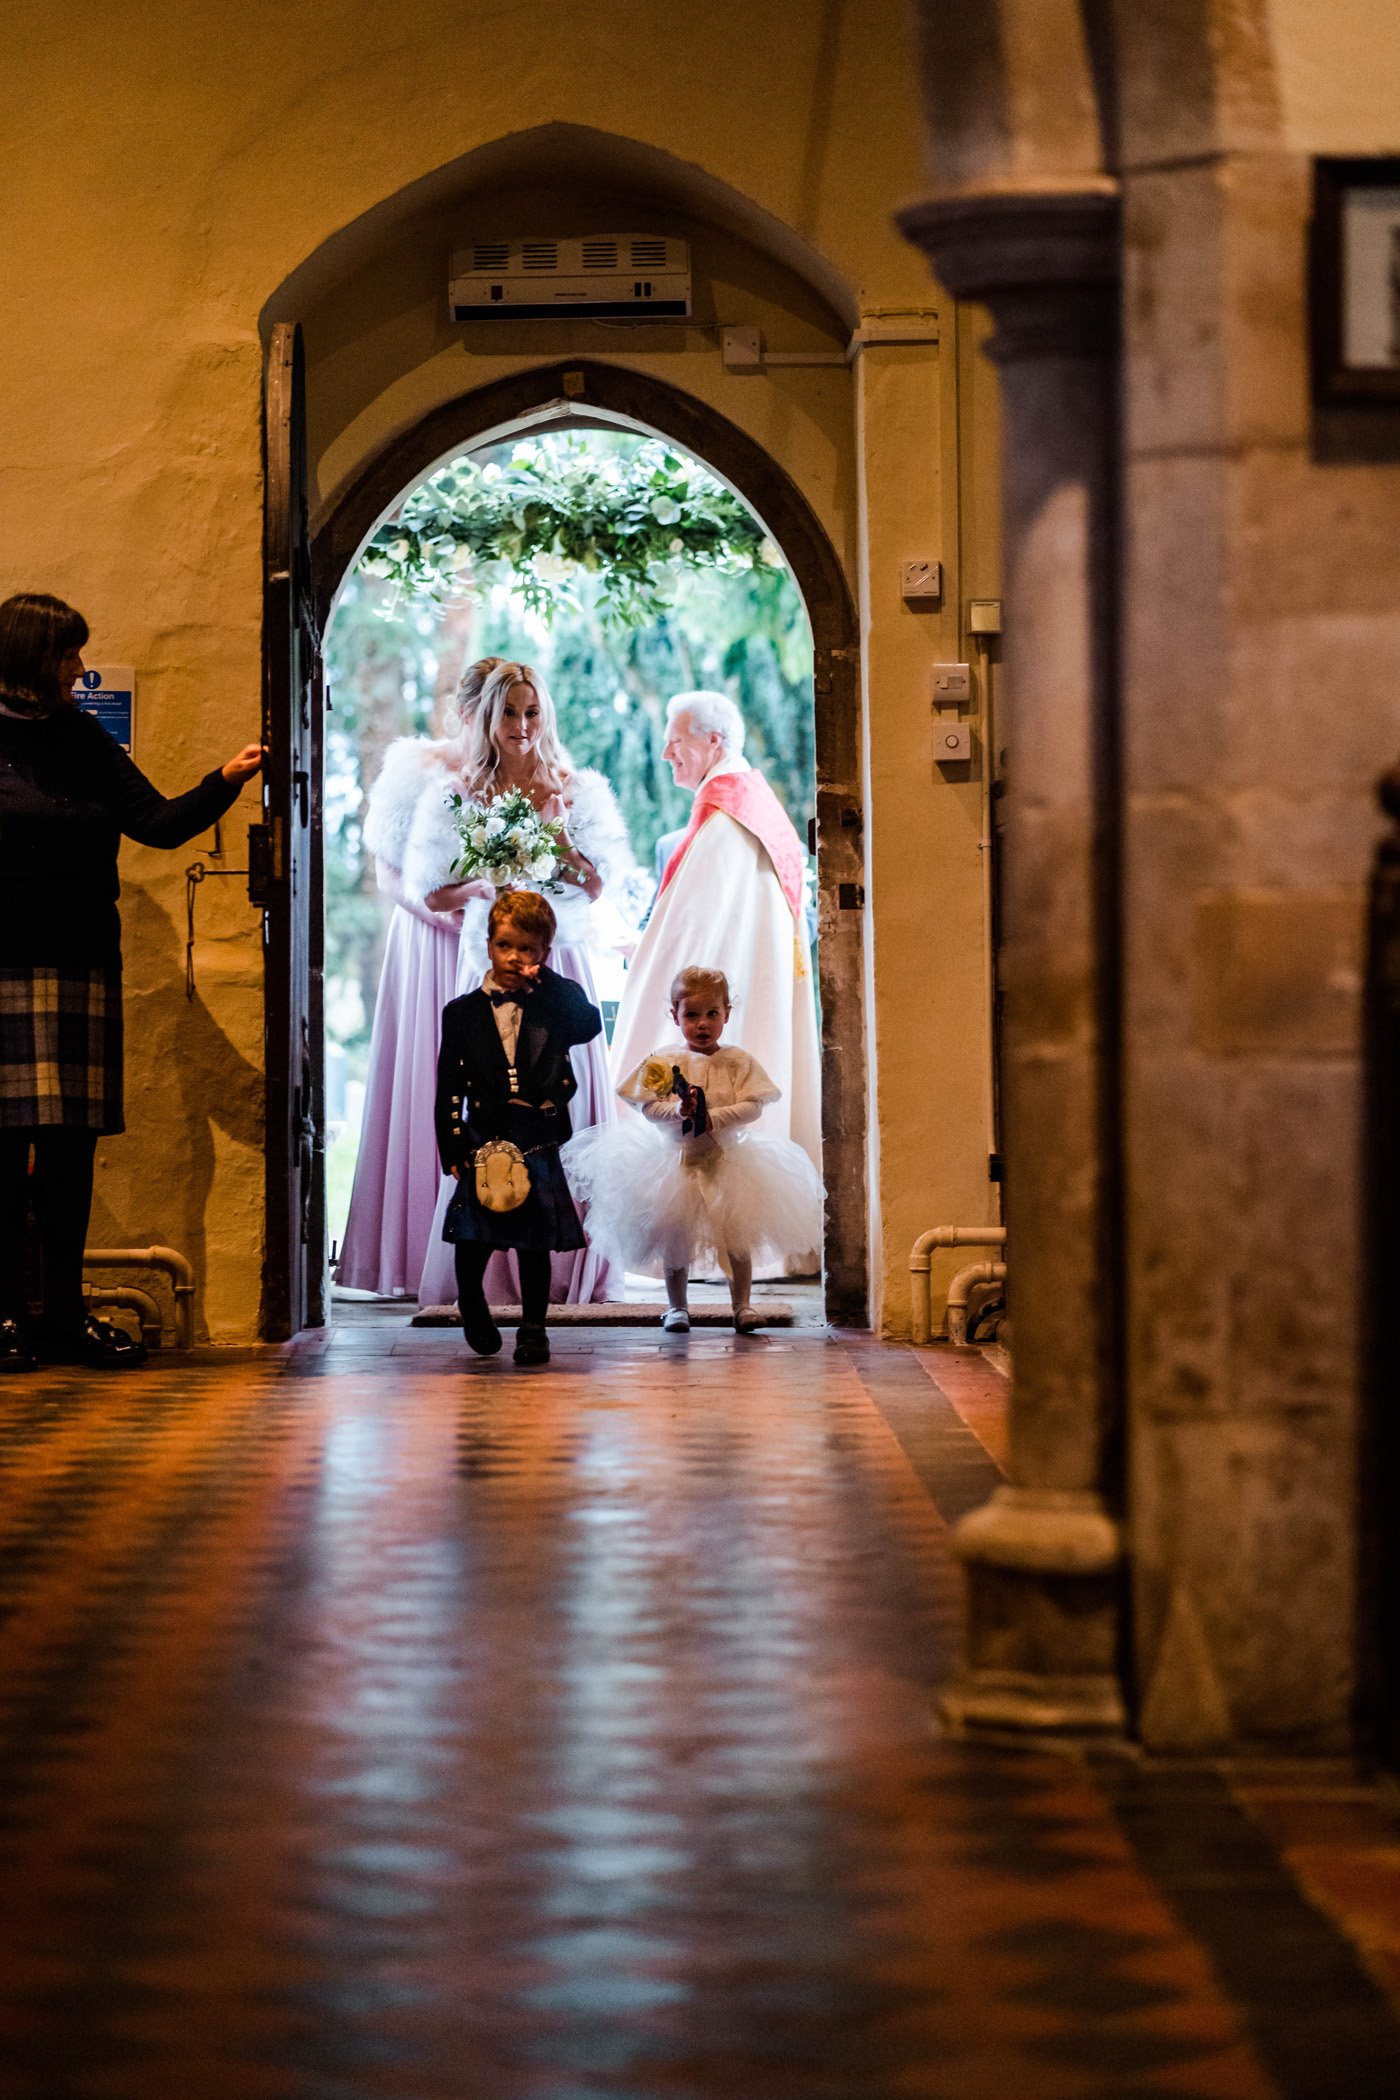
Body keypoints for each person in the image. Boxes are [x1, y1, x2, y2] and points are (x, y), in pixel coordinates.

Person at [0, 591, 263, 1371]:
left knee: (70, 1156)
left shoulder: (84, 739)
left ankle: (61, 1322)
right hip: (3, 970)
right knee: (5, 1158)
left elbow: (156, 822)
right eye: (67, 656)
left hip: (81, 967)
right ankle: (9, 1319)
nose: (80, 670)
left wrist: (227, 778)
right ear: (29, 659)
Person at [405, 660, 632, 1309]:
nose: (522, 726)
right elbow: (430, 886)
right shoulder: (454, 793)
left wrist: (557, 842)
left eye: (531, 712)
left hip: (561, 955)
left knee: (559, 1096)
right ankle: (481, 1271)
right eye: (509, 713)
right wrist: (482, 882)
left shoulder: (577, 788)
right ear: (488, 718)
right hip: (490, 949)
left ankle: (565, 1264)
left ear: (545, 715)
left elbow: (599, 882)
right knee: (489, 1094)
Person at [334, 655, 503, 1297]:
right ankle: (412, 1255)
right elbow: (391, 875)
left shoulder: (519, 769)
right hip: (434, 943)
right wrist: (453, 907)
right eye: (485, 713)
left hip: (499, 934)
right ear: (462, 713)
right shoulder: (416, 768)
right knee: (434, 1081)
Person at [609, 692, 821, 1195]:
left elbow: (691, 933)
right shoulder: (747, 807)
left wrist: (646, 960)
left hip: (714, 1019)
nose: (666, 754)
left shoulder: (727, 822)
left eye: (675, 740)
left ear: (713, 741)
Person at [565, 966, 823, 1333]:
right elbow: (646, 1106)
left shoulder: (737, 1061)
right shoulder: (665, 1061)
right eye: (692, 1015)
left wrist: (713, 1118)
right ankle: (677, 1307)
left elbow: (754, 1105)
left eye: (712, 1014)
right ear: (675, 1015)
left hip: (727, 1159)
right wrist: (677, 1110)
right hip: (675, 1160)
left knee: (737, 1234)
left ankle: (742, 1305)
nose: (702, 1024)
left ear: (726, 1014)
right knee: (675, 1236)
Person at [436, 890, 602, 1367]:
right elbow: (449, 1085)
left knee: (536, 1244)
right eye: (506, 945)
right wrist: (452, 1143)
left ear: (543, 954)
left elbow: (587, 1023)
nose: (515, 957)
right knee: (473, 1239)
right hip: (483, 1135)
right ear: (488, 944)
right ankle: (471, 1300)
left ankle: (534, 1328)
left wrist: (544, 981)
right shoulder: (461, 1012)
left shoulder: (554, 1005)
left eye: (527, 949)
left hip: (537, 1133)